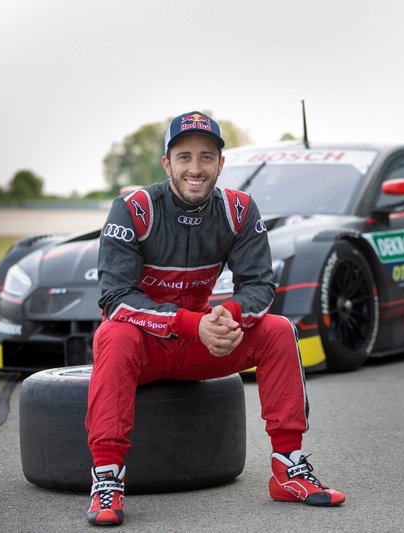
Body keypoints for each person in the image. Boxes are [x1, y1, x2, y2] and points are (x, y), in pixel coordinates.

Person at [85, 111, 346, 525]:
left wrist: (230, 316)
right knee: (113, 336)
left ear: (220, 165)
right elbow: (115, 298)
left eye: (206, 157)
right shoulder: (132, 209)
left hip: (200, 344)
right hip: (144, 348)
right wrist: (193, 324)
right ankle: (107, 479)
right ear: (167, 163)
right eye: (184, 156)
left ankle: (288, 467)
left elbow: (260, 286)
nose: (195, 167)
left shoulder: (239, 210)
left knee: (278, 329)